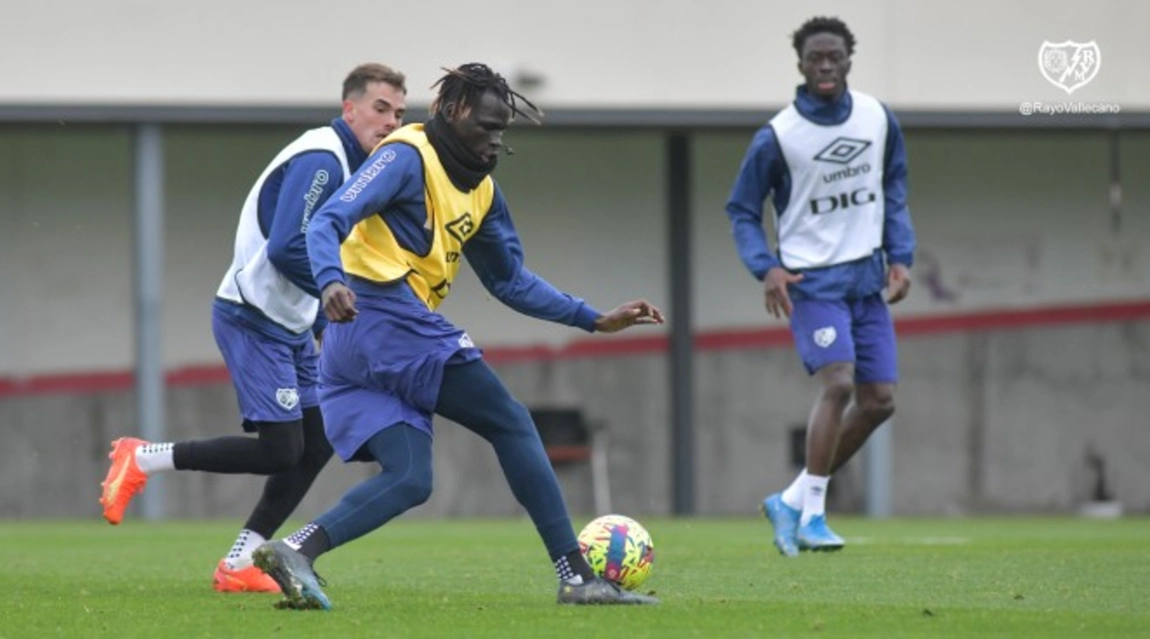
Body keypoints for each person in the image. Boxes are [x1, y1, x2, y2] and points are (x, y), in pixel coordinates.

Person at [250, 63, 664, 610]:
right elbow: (327, 220)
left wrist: (592, 318)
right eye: (485, 126)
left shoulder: (483, 191)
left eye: (501, 131)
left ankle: (298, 547)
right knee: (511, 421)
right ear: (450, 111)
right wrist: (328, 281)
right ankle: (576, 574)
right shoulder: (406, 155)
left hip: (359, 343)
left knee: (410, 478)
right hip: (381, 316)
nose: (494, 141)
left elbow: (510, 280)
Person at [98, 63, 409, 592]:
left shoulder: (358, 168)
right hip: (253, 319)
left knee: (316, 444)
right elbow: (290, 246)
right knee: (280, 450)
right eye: (381, 109)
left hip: (286, 322)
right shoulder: (323, 159)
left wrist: (318, 317)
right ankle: (143, 458)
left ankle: (239, 563)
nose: (391, 123)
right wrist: (330, 300)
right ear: (349, 109)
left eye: (400, 114)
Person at [725, 16, 915, 556]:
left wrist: (900, 256)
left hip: (866, 280)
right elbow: (741, 208)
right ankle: (812, 516)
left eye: (835, 56)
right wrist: (767, 266)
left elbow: (893, 187)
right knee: (838, 384)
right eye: (816, 58)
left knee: (879, 402)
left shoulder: (877, 119)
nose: (826, 66)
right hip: (812, 282)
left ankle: (788, 501)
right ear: (801, 64)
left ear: (849, 59)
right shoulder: (780, 135)